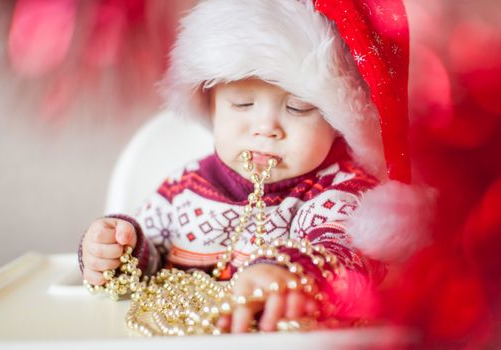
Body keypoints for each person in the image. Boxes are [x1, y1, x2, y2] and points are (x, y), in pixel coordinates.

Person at [78, 0, 432, 334]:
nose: (266, 128)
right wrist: (118, 250)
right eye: (242, 103)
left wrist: (291, 276)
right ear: (210, 107)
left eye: (297, 108)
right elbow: (151, 254)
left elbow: (342, 252)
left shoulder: (338, 190)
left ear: (335, 122)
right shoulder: (182, 188)